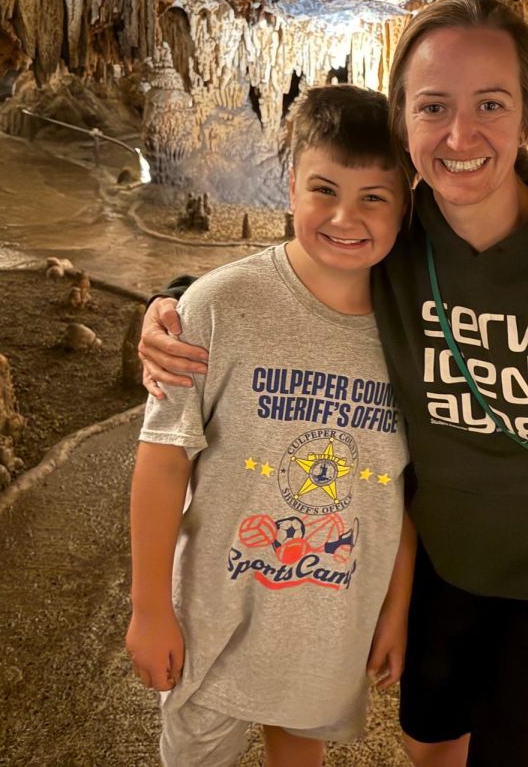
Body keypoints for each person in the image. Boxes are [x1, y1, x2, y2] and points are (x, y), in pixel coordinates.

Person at [140, 0, 528, 767]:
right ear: (406, 123)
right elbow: (298, 282)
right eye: (434, 106)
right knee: (424, 738)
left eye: (491, 105)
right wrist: (174, 302)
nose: (460, 134)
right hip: (451, 561)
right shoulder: (403, 246)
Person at [126, 84, 417, 767]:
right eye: (324, 189)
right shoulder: (217, 307)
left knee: (299, 751)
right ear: (289, 185)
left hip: (327, 628)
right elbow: (163, 460)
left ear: (407, 204)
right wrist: (148, 609)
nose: (347, 216)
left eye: (375, 197)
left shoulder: (415, 335)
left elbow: (406, 491)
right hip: (211, 621)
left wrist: (396, 609)